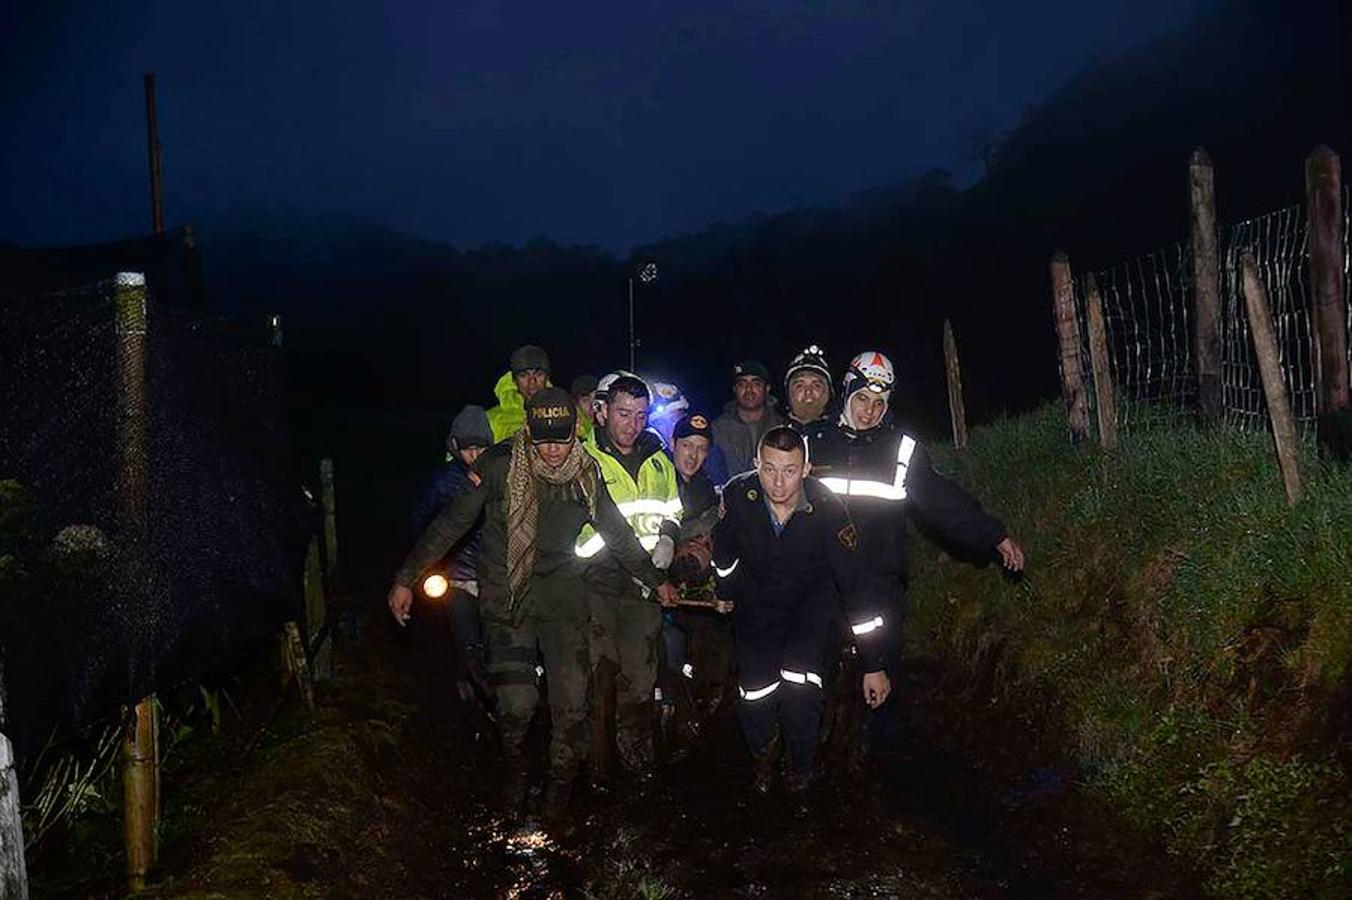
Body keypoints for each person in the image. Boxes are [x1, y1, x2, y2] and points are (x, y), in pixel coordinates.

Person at [388, 387, 678, 823]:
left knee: (572, 707)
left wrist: (656, 581)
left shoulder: (586, 473)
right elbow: (452, 523)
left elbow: (617, 533)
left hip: (563, 596)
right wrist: (406, 577)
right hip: (507, 593)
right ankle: (516, 771)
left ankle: (557, 796)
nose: (554, 451)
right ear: (528, 432)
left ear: (576, 434)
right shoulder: (499, 466)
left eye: (562, 440)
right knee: (518, 704)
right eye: (544, 441)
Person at [812, 350, 1025, 744]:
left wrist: (993, 534)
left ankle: (884, 771)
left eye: (879, 403)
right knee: (818, 685)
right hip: (823, 588)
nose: (868, 411)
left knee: (882, 685)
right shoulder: (814, 444)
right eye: (862, 399)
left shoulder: (902, 449)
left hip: (879, 586)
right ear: (846, 393)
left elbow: (942, 500)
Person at [712, 426, 878, 796]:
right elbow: (723, 552)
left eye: (790, 470)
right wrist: (725, 590)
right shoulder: (741, 495)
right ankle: (765, 758)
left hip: (810, 614)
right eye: (769, 469)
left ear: (806, 468)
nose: (779, 482)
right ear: (757, 464)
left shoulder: (829, 508)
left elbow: (855, 583)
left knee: (801, 692)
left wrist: (874, 662)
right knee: (755, 696)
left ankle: (800, 772)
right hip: (755, 613)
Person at [575, 375, 682, 779]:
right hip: (595, 582)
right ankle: (597, 768)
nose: (631, 424)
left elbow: (673, 508)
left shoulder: (659, 456)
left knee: (640, 678)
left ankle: (636, 763)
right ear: (602, 411)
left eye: (640, 415)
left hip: (644, 587)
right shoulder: (583, 460)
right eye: (623, 413)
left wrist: (669, 539)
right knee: (598, 677)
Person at [409, 405, 494, 705]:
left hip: (493, 577)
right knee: (466, 643)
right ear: (455, 447)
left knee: (495, 648)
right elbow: (421, 521)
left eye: (480, 447)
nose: (474, 455)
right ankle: (466, 689)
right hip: (456, 577)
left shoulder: (499, 476)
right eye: (468, 448)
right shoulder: (444, 481)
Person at [659, 412, 733, 753]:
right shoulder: (656, 478)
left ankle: (698, 713)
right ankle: (668, 711)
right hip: (653, 586)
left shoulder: (704, 487)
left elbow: (713, 536)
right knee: (670, 644)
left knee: (714, 635)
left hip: (693, 589)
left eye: (701, 449)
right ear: (673, 444)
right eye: (686, 445)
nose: (693, 455)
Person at [711, 360, 785, 477]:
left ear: (767, 388)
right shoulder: (717, 429)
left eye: (756, 384)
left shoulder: (782, 427)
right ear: (734, 389)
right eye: (742, 384)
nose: (749, 390)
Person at [486, 344, 552, 443]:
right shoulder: (492, 419)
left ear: (547, 378)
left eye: (539, 374)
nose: (532, 382)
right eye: (524, 375)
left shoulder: (564, 412)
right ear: (514, 381)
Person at [783, 344, 835, 456]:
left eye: (816, 385)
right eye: (799, 385)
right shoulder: (769, 432)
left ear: (829, 392)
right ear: (788, 393)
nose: (808, 392)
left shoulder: (844, 437)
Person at [571, 373, 599, 442]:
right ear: (576, 403)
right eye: (585, 400)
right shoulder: (572, 432)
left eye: (596, 399)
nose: (592, 406)